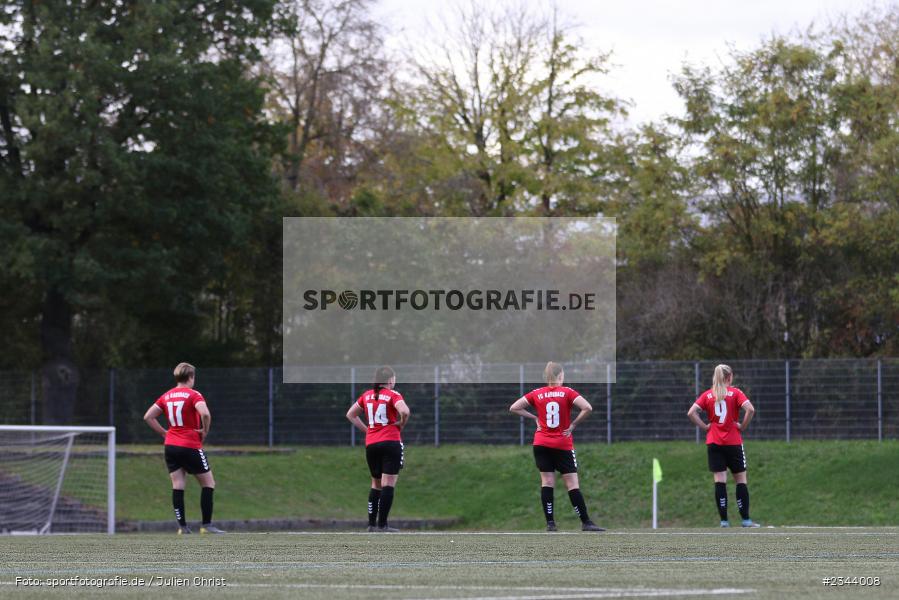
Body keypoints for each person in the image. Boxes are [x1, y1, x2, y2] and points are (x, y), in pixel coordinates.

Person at [509, 361, 604, 532]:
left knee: (547, 482)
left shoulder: (537, 393)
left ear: (547, 377)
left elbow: (514, 407)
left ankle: (550, 523)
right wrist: (574, 424)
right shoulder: (567, 392)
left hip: (541, 443)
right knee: (572, 484)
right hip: (562, 443)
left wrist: (535, 418)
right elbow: (587, 407)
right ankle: (586, 522)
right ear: (560, 376)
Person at [143, 362, 225, 534]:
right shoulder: (194, 394)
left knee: (178, 484)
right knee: (208, 483)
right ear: (191, 377)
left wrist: (165, 433)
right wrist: (205, 431)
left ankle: (182, 527)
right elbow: (205, 413)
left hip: (171, 446)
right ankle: (206, 525)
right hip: (190, 444)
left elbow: (148, 417)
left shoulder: (166, 396)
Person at [687, 363, 759, 527]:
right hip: (733, 442)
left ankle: (724, 521)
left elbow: (691, 412)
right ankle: (746, 520)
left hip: (714, 442)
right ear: (729, 377)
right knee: (740, 480)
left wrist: (705, 427)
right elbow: (751, 409)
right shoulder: (735, 393)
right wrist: (743, 426)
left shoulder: (708, 395)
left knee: (720, 481)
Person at [346, 366, 410, 532]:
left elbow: (350, 414)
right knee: (388, 483)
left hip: (371, 444)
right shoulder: (393, 395)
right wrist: (401, 423)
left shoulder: (366, 396)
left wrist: (368, 430)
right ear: (390, 380)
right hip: (390, 442)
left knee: (376, 483)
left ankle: (371, 525)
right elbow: (405, 411)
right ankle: (383, 525)